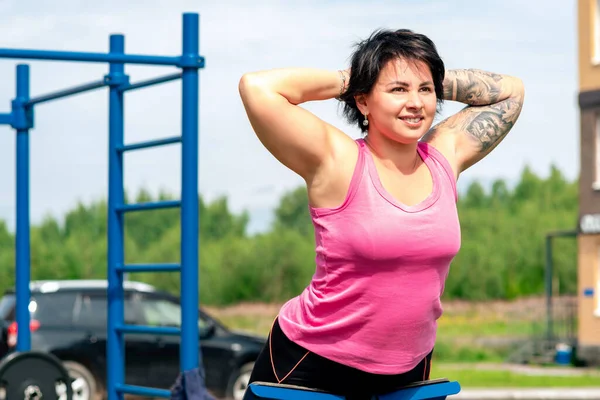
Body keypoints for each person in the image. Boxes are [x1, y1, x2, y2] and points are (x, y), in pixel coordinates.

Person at [238, 28, 524, 399]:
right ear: (363, 101)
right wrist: (360, 75)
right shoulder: (337, 160)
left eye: (425, 90)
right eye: (397, 90)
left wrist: (426, 75)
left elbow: (512, 91)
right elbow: (257, 88)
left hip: (407, 370)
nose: (416, 102)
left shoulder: (444, 156)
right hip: (311, 364)